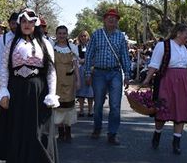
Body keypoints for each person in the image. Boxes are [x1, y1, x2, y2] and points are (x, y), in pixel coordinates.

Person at [0, 8, 59, 163]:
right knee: (22, 132)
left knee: (36, 133)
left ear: (35, 24)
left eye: (30, 22)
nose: (27, 25)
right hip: (17, 90)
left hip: (38, 91)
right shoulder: (11, 42)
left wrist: (52, 93)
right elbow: (3, 68)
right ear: (19, 23)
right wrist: (3, 90)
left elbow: (51, 71)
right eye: (23, 22)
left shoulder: (45, 43)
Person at [141, 23, 187, 155]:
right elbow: (154, 64)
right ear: (178, 33)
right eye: (186, 34)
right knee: (163, 109)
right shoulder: (163, 45)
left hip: (184, 82)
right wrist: (147, 79)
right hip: (166, 80)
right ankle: (157, 134)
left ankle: (176, 142)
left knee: (181, 110)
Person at [83, 8, 131, 145]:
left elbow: (124, 56)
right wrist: (87, 73)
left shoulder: (121, 36)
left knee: (115, 105)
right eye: (109, 17)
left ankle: (112, 133)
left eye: (115, 18)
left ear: (117, 21)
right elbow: (89, 55)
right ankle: (97, 128)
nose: (112, 20)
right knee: (98, 104)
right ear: (104, 20)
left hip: (115, 73)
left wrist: (127, 74)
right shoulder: (97, 34)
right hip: (98, 73)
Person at [53, 25, 80, 142]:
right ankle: (60, 132)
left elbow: (76, 66)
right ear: (56, 34)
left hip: (69, 81)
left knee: (69, 107)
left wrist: (78, 80)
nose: (62, 35)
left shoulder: (73, 47)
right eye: (60, 33)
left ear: (67, 34)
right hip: (56, 80)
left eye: (64, 33)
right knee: (57, 106)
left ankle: (68, 132)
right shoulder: (51, 47)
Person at [75, 30, 94, 117]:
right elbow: (76, 58)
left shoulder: (92, 47)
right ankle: (81, 110)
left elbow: (94, 58)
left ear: (88, 37)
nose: (83, 37)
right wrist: (81, 61)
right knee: (80, 91)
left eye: (85, 36)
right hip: (80, 70)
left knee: (90, 91)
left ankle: (90, 110)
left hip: (90, 69)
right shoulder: (77, 47)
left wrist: (85, 61)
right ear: (79, 37)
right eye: (82, 36)